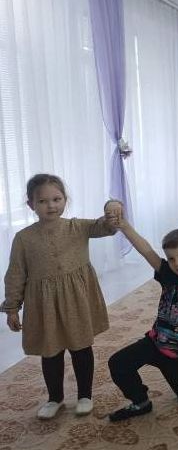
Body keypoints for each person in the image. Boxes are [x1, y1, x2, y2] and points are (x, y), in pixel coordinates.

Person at [2, 174, 121, 419]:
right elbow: (15, 274)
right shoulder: (23, 238)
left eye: (56, 199)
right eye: (43, 201)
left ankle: (85, 395)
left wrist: (112, 210)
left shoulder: (77, 227)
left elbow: (105, 227)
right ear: (31, 204)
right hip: (44, 306)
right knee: (51, 351)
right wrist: (12, 308)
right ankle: (55, 398)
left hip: (76, 301)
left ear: (65, 199)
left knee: (81, 348)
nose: (51, 205)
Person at [106, 220, 178, 421]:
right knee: (117, 363)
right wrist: (124, 226)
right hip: (156, 343)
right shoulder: (168, 273)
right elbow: (146, 250)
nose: (177, 263)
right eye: (171, 259)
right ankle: (141, 402)